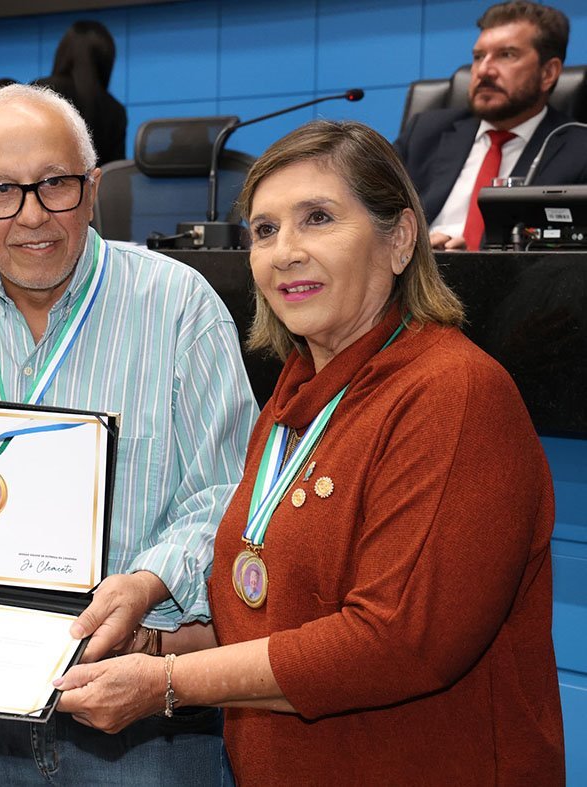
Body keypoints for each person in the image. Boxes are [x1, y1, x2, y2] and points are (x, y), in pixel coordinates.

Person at [56, 119, 565, 784]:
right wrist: (150, 641)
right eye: (264, 230)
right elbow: (271, 616)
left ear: (399, 239)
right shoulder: (294, 398)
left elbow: (395, 643)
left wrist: (168, 682)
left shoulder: (455, 393)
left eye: (317, 218)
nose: (284, 252)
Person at [0, 83, 257, 785]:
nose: (33, 215)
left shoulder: (179, 307)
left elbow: (226, 492)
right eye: (0, 191)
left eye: (55, 184)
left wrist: (147, 584)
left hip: (143, 711)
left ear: (91, 189)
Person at [395, 1, 587, 250]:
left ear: (548, 73)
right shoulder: (425, 132)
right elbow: (372, 210)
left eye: (506, 55)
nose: (484, 70)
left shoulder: (578, 150)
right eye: (478, 57)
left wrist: (477, 263)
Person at [35, 20, 127, 165]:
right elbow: (115, 170)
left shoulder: (43, 91)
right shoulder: (116, 111)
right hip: (97, 180)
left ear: (63, 53)